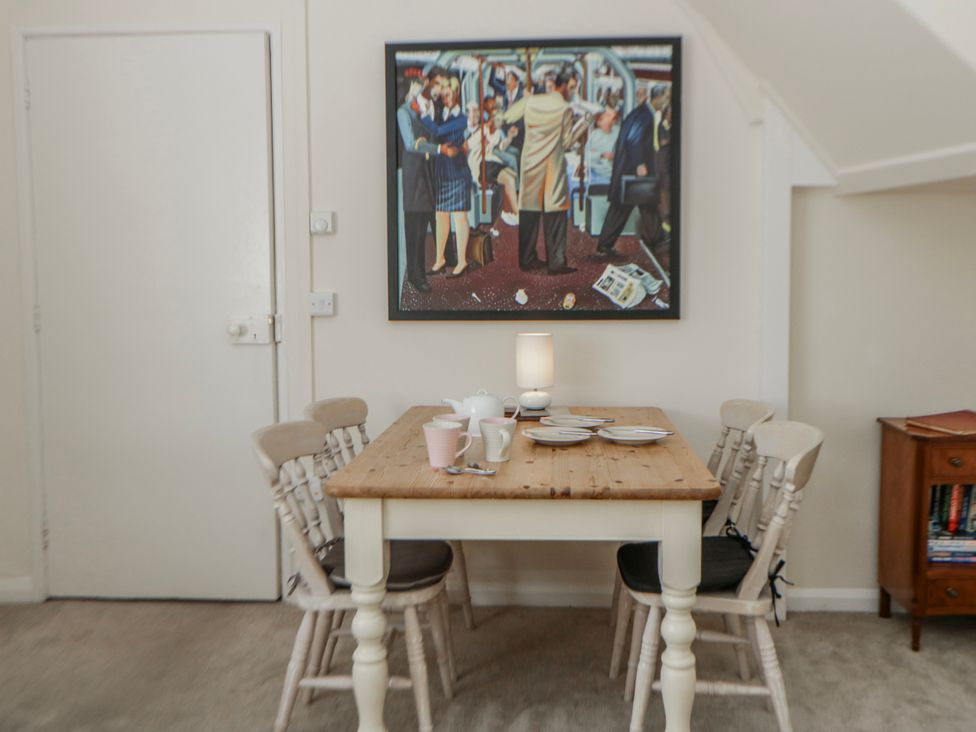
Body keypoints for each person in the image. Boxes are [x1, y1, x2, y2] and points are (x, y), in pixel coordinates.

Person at [503, 67, 592, 274]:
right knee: (555, 213)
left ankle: (527, 259)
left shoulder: (531, 100)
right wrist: (585, 122)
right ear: (562, 86)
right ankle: (556, 262)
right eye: (571, 87)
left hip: (530, 165)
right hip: (552, 166)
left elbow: (507, 117)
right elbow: (568, 142)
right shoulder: (565, 109)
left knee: (529, 212)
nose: (572, 91)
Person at [395, 68, 457, 293]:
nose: (438, 89)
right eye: (435, 84)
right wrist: (438, 148)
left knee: (439, 216)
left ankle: (447, 258)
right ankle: (416, 276)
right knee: (416, 228)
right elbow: (412, 144)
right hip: (415, 174)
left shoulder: (435, 108)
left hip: (434, 171)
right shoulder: (404, 113)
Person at [594, 83, 671, 258]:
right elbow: (633, 140)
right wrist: (639, 164)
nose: (666, 102)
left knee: (646, 205)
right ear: (657, 98)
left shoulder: (643, 113)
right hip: (632, 170)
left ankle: (658, 240)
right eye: (665, 98)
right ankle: (605, 245)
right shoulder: (645, 115)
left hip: (630, 171)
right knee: (623, 208)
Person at [419, 76, 472, 277]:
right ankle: (440, 259)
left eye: (448, 94)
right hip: (442, 171)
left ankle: (462, 261)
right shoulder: (442, 113)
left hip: (457, 172)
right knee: (441, 215)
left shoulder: (462, 119)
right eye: (443, 95)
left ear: (457, 94)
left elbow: (438, 131)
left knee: (459, 216)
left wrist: (422, 113)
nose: (444, 98)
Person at [466, 109, 520, 225]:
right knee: (509, 179)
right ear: (492, 120)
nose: (499, 123)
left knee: (512, 175)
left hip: (490, 161)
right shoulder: (483, 130)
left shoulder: (497, 133)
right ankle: (517, 214)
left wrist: (510, 137)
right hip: (481, 163)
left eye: (501, 121)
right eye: (498, 120)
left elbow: (501, 147)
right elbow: (468, 145)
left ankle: (513, 212)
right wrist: (481, 143)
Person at [587, 108, 619, 181]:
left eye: (608, 115)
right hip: (593, 171)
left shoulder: (618, 133)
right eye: (604, 115)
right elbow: (586, 155)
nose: (603, 116)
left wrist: (614, 156)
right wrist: (601, 155)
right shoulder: (595, 134)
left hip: (609, 174)